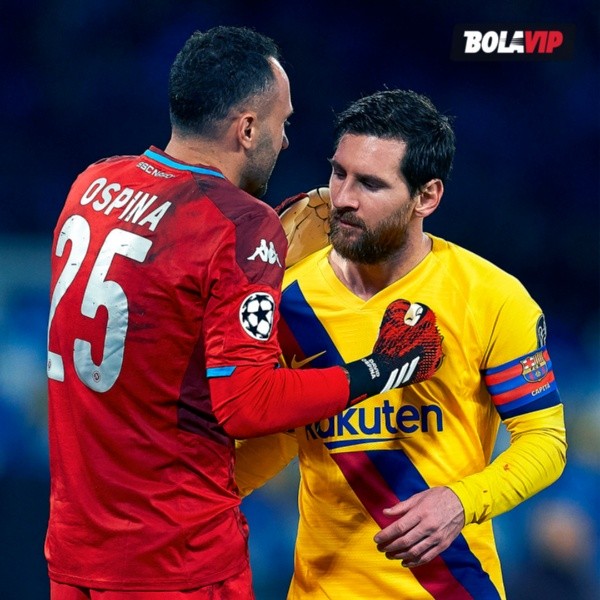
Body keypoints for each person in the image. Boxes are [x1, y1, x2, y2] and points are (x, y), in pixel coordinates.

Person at [44, 31, 444, 600]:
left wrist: (250, 281)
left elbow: (160, 330)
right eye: (283, 121)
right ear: (248, 128)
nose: (286, 138)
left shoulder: (94, 182)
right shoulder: (240, 225)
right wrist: (380, 369)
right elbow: (247, 404)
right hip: (175, 558)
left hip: (75, 548)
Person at [235, 89, 567, 599]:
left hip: (453, 588)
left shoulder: (491, 297)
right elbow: (279, 435)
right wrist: (186, 496)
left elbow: (545, 440)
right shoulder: (286, 300)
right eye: (339, 173)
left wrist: (461, 501)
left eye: (370, 183)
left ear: (426, 197)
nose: (342, 198)